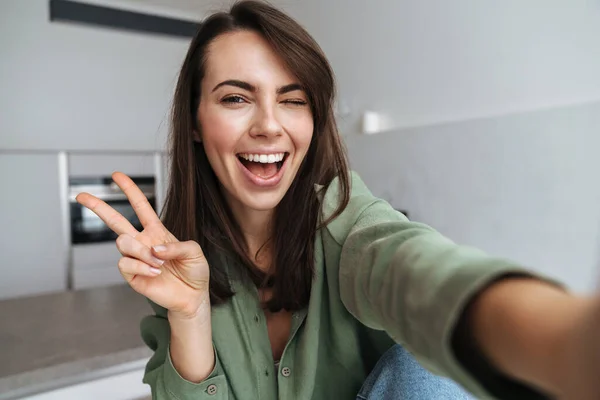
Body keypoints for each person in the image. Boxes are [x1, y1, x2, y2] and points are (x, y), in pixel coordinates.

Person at [76, 1, 600, 399]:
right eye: (236, 98)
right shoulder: (177, 264)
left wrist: (560, 342)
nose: (268, 125)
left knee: (421, 370)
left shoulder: (348, 222)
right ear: (194, 122)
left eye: (293, 100)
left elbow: (412, 270)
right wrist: (190, 313)